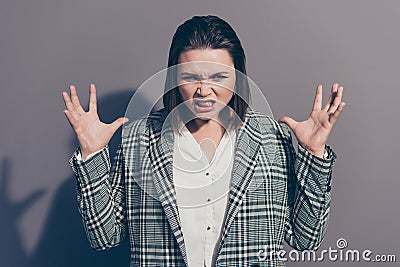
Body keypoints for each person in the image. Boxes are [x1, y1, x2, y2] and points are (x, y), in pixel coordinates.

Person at [62, 15, 345, 267]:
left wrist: (314, 153)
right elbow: (104, 238)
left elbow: (307, 239)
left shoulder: (273, 137)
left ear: (238, 77)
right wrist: (93, 154)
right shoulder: (137, 139)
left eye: (219, 77)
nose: (204, 90)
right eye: (191, 77)